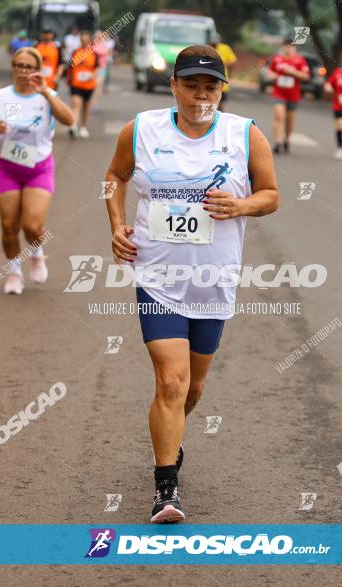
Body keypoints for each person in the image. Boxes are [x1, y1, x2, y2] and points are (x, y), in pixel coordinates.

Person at [103, 45, 279, 523]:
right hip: (158, 276)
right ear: (173, 86)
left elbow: (271, 196)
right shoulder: (140, 130)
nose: (201, 94)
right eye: (191, 84)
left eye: (211, 86)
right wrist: (117, 224)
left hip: (213, 280)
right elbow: (114, 178)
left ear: (222, 89)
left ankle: (172, 438)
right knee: (171, 379)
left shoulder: (245, 135)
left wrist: (241, 206)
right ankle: (166, 489)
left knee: (193, 389)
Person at [0, 47, 75, 294]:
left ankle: (37, 253)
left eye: (29, 67)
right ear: (13, 68)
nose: (23, 71)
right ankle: (13, 272)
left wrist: (46, 92)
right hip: (7, 169)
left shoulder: (46, 96)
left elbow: (69, 120)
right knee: (9, 226)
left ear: (37, 70)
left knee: (32, 226)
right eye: (19, 66)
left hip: (38, 169)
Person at [265, 39, 310, 154]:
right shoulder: (277, 60)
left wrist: (292, 72)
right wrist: (273, 76)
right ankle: (277, 143)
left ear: (295, 48)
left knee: (289, 121)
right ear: (283, 47)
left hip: (293, 95)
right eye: (286, 46)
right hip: (279, 93)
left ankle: (287, 140)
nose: (288, 49)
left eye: (291, 46)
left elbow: (306, 76)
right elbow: (269, 73)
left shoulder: (300, 61)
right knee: (279, 116)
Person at [67, 30, 98, 139]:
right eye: (82, 39)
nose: (84, 42)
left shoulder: (94, 54)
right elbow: (70, 67)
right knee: (76, 104)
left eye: (86, 40)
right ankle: (73, 126)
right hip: (76, 84)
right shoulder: (75, 52)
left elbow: (96, 69)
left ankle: (84, 127)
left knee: (86, 107)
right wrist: (69, 79)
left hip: (89, 85)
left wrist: (92, 76)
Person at [210, 34, 237, 111]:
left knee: (221, 103)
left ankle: (221, 117)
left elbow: (233, 61)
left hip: (222, 79)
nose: (213, 45)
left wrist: (223, 64)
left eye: (215, 44)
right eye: (212, 44)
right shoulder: (207, 48)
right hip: (209, 79)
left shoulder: (225, 48)